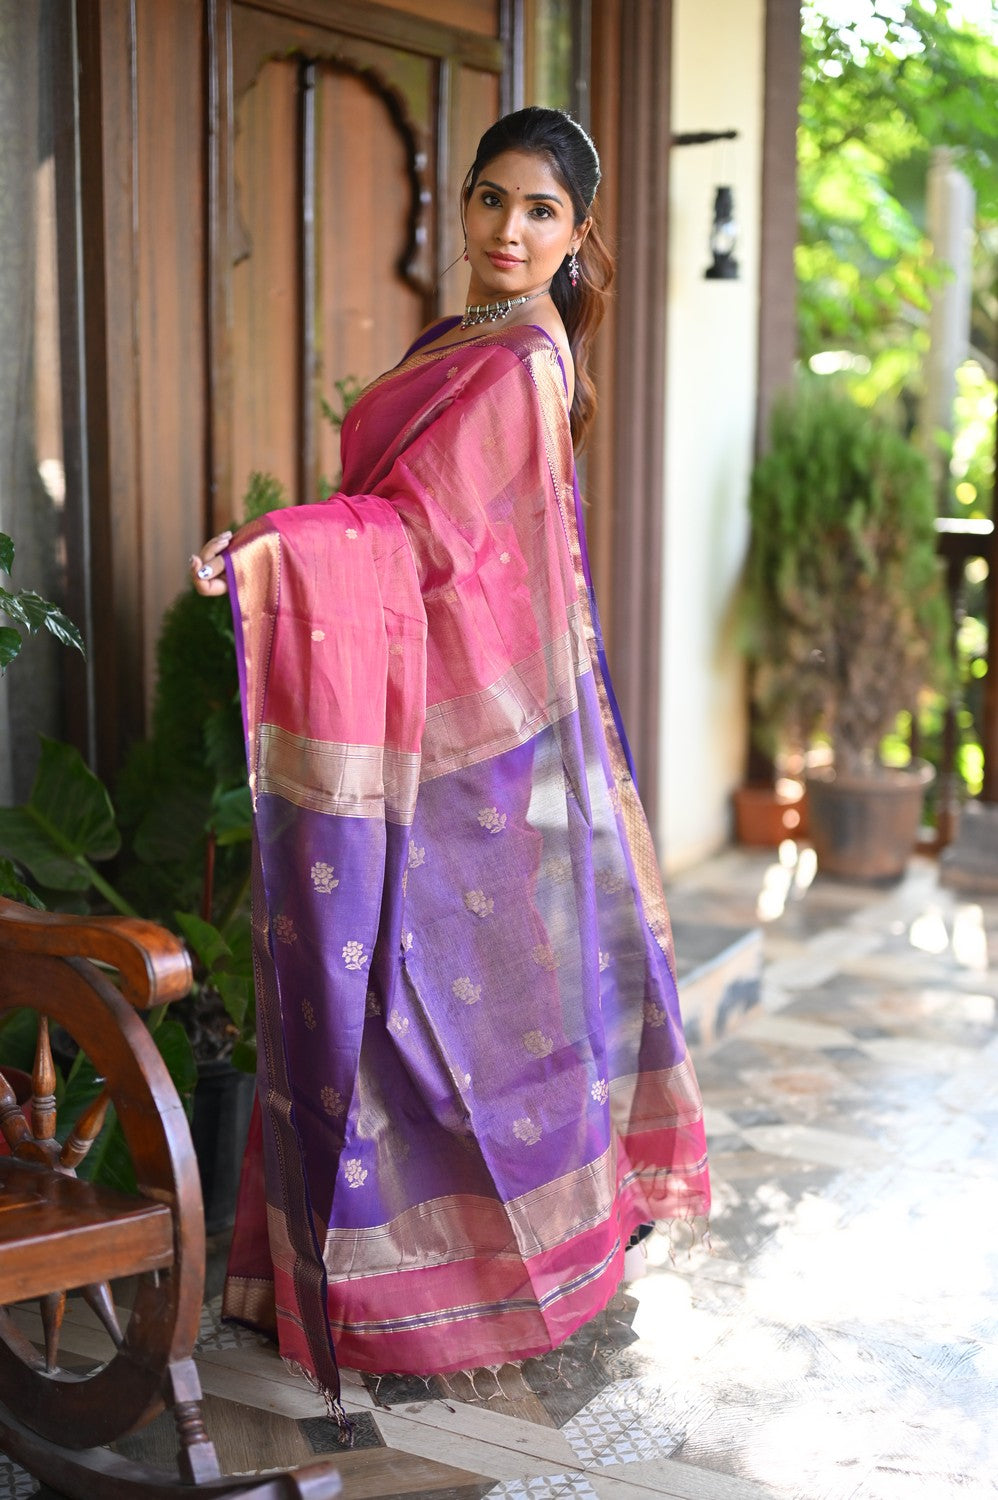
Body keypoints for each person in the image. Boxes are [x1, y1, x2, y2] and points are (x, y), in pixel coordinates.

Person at [190, 106, 709, 1424]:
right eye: (491, 199)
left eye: (540, 211)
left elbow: (426, 542)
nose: (507, 229)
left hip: (459, 743)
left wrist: (276, 545)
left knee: (443, 1009)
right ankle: (402, 1276)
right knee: (405, 1005)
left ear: (577, 235)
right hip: (441, 717)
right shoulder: (473, 340)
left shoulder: (519, 361)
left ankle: (461, 1286)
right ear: (464, 203)